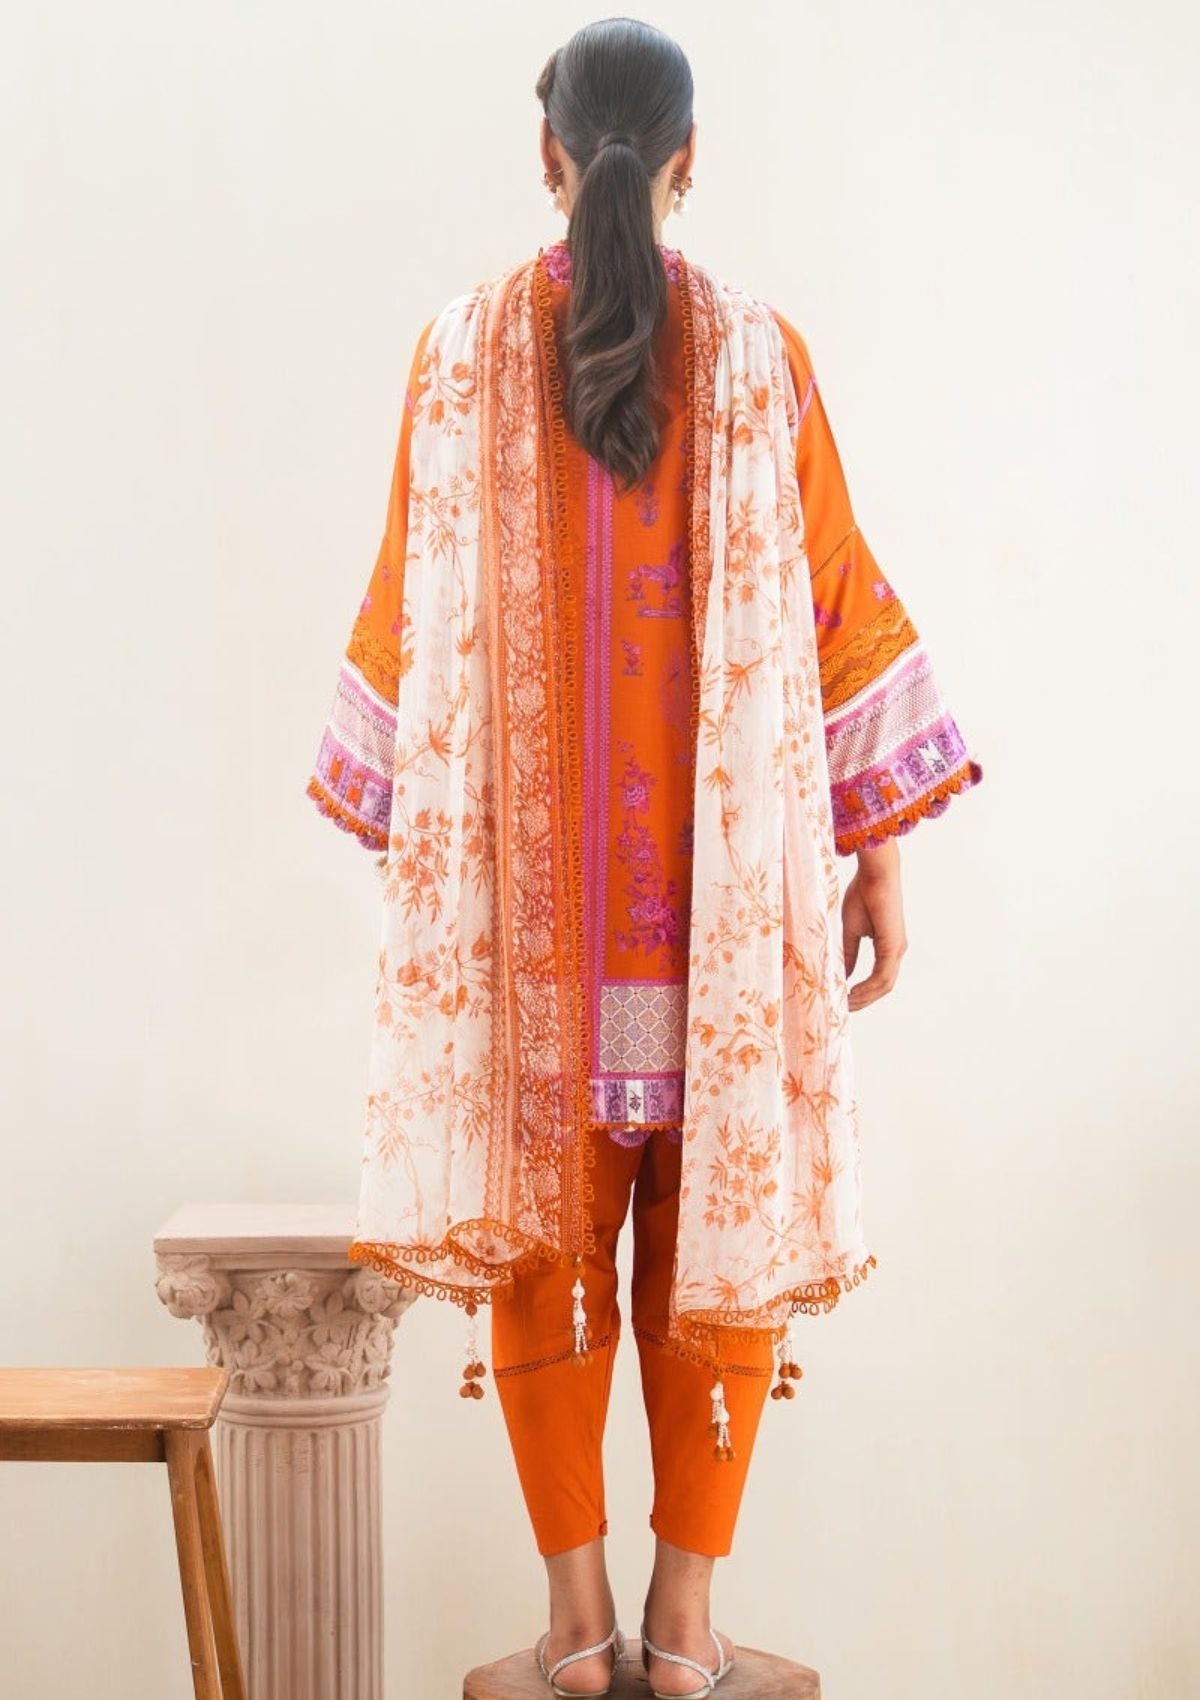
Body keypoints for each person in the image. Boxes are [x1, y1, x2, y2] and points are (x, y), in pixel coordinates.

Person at [305, 19, 981, 1699]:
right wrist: (879, 859)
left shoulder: (456, 354)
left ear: (547, 153)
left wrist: (414, 845)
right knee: (720, 1240)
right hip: (720, 919)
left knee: (542, 1242)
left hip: (536, 924)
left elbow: (406, 613)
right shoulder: (760, 354)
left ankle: (573, 1626)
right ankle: (685, 1629)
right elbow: (836, 599)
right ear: (691, 160)